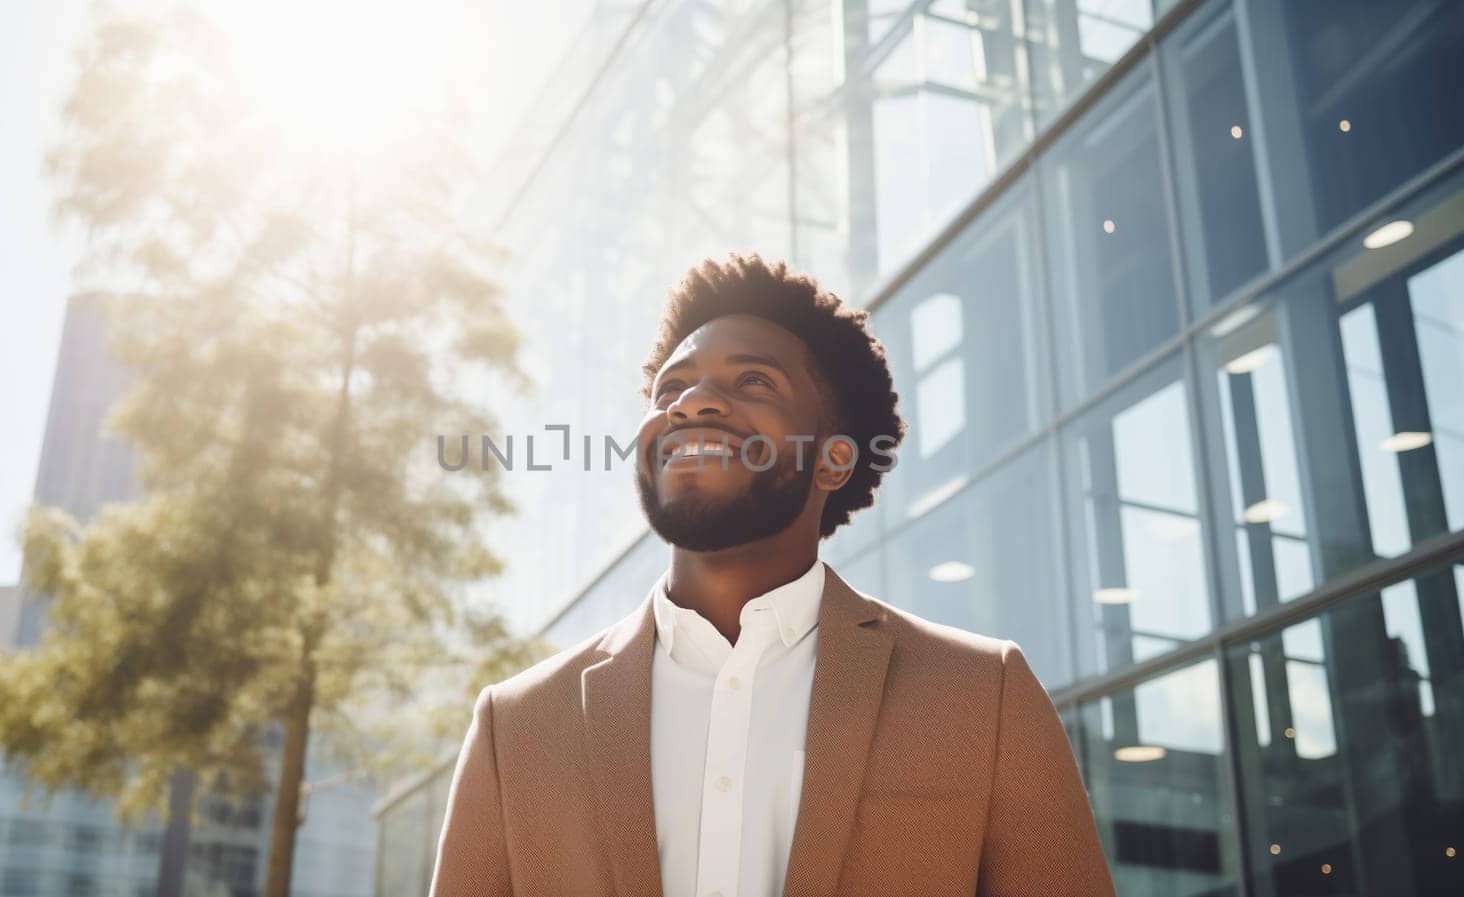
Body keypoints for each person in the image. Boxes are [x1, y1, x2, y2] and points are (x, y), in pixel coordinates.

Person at [429, 255, 1115, 897]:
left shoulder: (982, 697)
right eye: (672, 386)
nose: (691, 403)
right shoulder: (514, 728)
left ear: (834, 461)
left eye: (753, 381)